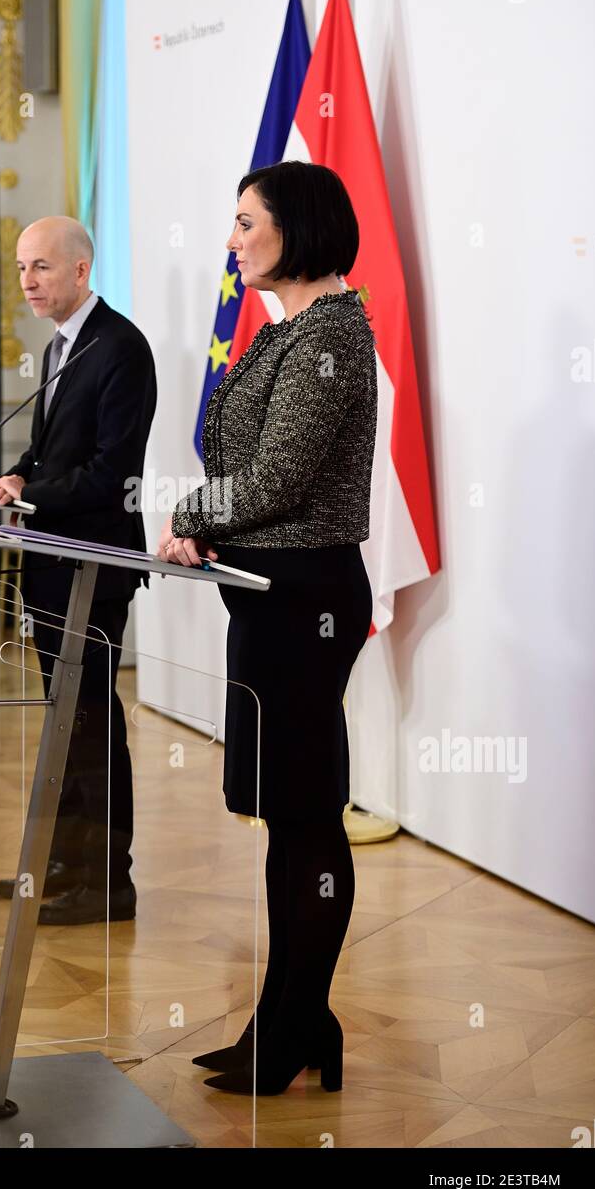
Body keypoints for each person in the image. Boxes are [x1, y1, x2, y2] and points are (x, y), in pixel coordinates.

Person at [157, 160, 377, 1096]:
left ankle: (295, 1024)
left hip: (307, 599)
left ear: (300, 228)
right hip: (269, 590)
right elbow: (251, 465)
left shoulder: (330, 336)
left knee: (305, 812)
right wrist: (205, 518)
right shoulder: (287, 331)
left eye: (248, 222)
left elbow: (281, 477)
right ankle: (290, 1017)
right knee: (286, 817)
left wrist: (189, 517)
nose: (234, 239)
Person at [0, 217, 157, 926]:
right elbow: (49, 451)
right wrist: (17, 475)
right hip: (51, 563)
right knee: (65, 719)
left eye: (42, 268)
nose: (27, 281)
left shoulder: (120, 348)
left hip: (94, 566)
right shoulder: (60, 346)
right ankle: (65, 859)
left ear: (81, 270)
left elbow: (114, 475)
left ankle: (110, 881)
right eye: (23, 267)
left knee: (92, 721)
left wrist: (31, 492)